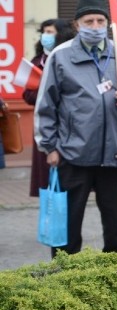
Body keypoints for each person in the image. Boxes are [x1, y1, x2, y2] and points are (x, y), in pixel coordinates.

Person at [34, 0, 117, 256]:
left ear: (108, 24)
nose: (96, 27)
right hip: (73, 155)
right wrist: (49, 147)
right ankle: (64, 283)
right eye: (89, 21)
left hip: (114, 155)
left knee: (115, 227)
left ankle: (115, 281)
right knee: (67, 230)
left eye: (100, 21)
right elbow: (46, 105)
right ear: (77, 24)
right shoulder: (60, 56)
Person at [25, 19, 76, 197]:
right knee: (47, 171)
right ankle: (52, 204)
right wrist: (45, 88)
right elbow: (28, 96)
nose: (45, 36)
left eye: (50, 32)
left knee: (71, 174)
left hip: (69, 123)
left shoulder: (71, 57)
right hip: (45, 122)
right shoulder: (37, 61)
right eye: (44, 32)